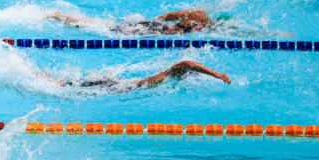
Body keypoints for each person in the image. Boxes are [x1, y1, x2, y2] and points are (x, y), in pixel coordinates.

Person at [37, 60, 231, 93]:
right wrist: (217, 74)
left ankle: (46, 78)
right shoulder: (170, 74)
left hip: (120, 84)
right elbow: (186, 64)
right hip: (121, 87)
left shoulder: (166, 78)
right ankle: (45, 78)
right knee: (68, 86)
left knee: (71, 85)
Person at [45, 8, 233, 35]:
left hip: (153, 26)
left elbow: (169, 15)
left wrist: (153, 21)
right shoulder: (202, 23)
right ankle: (63, 17)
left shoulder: (198, 13)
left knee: (108, 26)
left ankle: (65, 17)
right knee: (108, 29)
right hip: (154, 30)